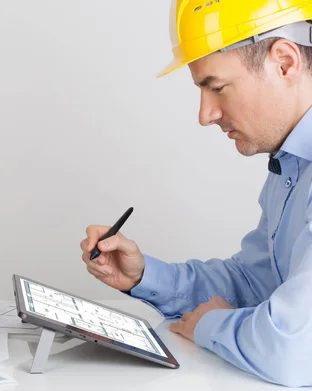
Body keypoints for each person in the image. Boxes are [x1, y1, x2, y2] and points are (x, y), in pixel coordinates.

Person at [80, 1, 312, 388]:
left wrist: (209, 324)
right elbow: (257, 283)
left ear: (284, 63)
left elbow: (296, 349)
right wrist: (145, 276)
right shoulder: (291, 165)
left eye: (216, 87)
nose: (205, 115)